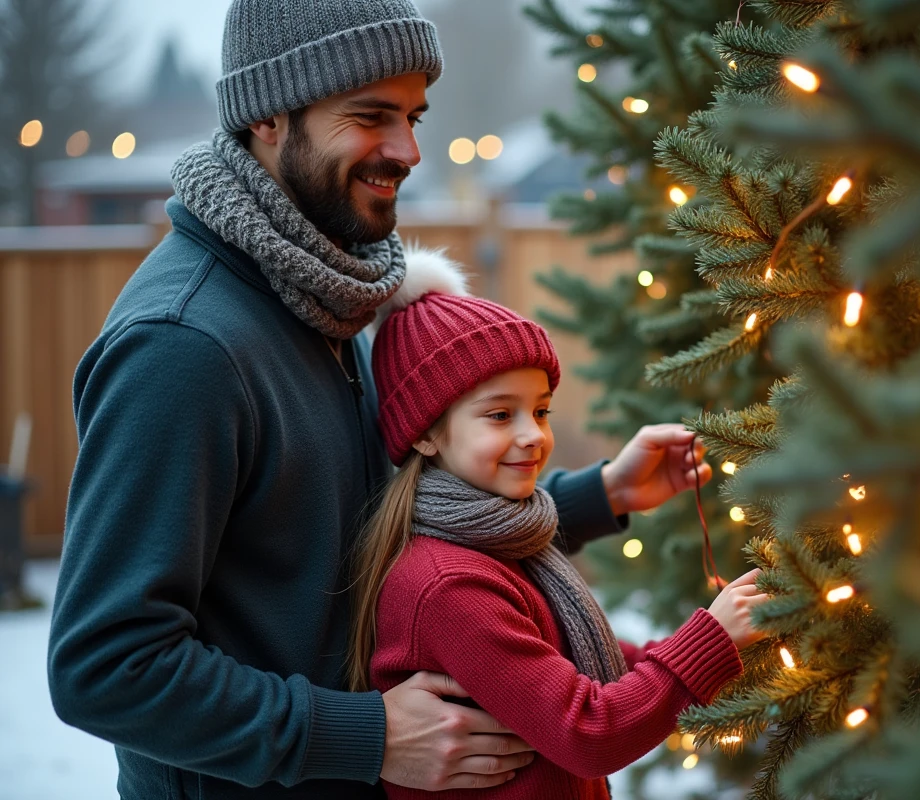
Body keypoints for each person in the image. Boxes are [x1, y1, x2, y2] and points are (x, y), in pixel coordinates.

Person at [46, 1, 713, 798]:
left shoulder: (324, 293)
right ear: (266, 114)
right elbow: (106, 666)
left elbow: (385, 526)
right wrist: (367, 734)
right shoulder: (184, 346)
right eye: (371, 116)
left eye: (413, 116)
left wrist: (598, 495)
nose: (407, 150)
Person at [357, 250, 770, 799]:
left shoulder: (507, 539)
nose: (533, 434)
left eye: (542, 410)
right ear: (425, 434)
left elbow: (587, 660)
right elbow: (587, 731)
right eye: (501, 414)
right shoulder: (447, 584)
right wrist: (707, 642)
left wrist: (726, 646)